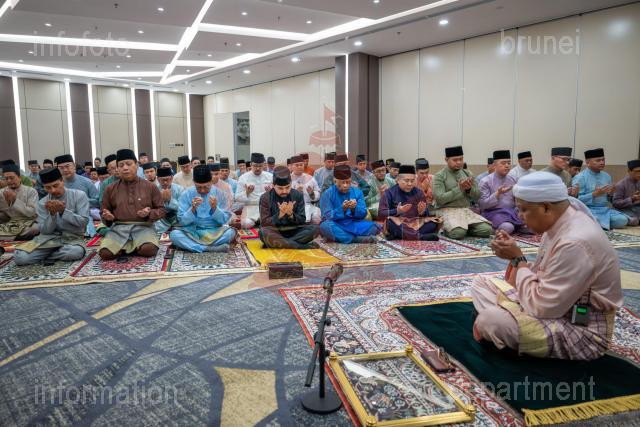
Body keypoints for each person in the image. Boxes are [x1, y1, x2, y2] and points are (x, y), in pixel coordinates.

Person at [472, 172, 623, 360]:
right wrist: (516, 259)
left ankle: (508, 327)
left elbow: (542, 307)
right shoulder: (559, 224)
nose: (519, 216)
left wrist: (518, 259)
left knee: (491, 321)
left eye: (523, 210)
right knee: (481, 283)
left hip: (581, 328)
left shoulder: (574, 242)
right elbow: (541, 276)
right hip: (553, 305)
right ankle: (511, 323)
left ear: (545, 207)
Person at [13, 168, 89, 265]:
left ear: (62, 181)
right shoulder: (42, 203)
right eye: (48, 188)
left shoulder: (79, 195)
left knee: (74, 252)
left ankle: (45, 256)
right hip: (47, 240)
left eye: (55, 186)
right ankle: (51, 254)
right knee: (20, 258)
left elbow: (83, 222)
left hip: (72, 239)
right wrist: (52, 215)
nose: (53, 190)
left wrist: (63, 211)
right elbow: (45, 231)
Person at [99, 149, 165, 260]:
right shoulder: (110, 189)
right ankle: (132, 248)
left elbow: (161, 210)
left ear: (137, 165)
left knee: (149, 249)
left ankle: (124, 249)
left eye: (129, 164)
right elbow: (104, 211)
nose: (125, 168)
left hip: (144, 227)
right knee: (105, 254)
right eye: (121, 165)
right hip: (119, 229)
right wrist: (108, 217)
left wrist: (149, 213)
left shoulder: (150, 186)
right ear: (118, 168)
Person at [169, 165, 236, 253]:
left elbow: (224, 220)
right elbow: (182, 222)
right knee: (174, 235)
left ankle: (194, 246)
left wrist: (215, 209)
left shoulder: (220, 194)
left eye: (206, 187)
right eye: (199, 187)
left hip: (214, 231)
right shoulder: (186, 194)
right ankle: (208, 248)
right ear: (194, 183)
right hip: (193, 231)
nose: (202, 190)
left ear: (211, 182)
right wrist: (192, 210)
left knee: (231, 233)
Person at [433, 146, 492, 240]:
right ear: (446, 160)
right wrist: (459, 189)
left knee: (487, 230)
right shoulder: (439, 176)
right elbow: (440, 199)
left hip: (464, 210)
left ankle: (464, 228)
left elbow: (477, 196)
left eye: (461, 159)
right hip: (446, 210)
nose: (459, 162)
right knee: (458, 234)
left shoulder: (468, 174)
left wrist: (469, 189)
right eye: (455, 160)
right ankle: (450, 228)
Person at [259, 166, 319, 249]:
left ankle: (279, 243)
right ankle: (300, 246)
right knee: (263, 232)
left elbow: (302, 220)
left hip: (294, 230)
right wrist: (279, 215)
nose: (284, 191)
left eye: (287, 187)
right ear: (273, 185)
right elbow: (264, 223)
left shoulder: (297, 195)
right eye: (280, 188)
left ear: (291, 184)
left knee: (315, 229)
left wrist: (291, 215)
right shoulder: (265, 198)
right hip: (276, 231)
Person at [319, 165, 381, 243]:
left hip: (353, 223)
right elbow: (325, 217)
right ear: (335, 181)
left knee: (374, 226)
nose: (345, 185)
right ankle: (356, 239)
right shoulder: (327, 194)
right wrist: (342, 209)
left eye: (348, 182)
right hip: (337, 224)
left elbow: (363, 214)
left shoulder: (357, 192)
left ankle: (343, 237)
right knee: (325, 226)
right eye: (342, 182)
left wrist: (354, 209)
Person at [378, 164, 442, 240]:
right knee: (390, 223)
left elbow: (425, 215)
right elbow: (381, 214)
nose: (409, 184)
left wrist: (422, 212)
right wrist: (397, 211)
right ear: (398, 180)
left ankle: (402, 235)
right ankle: (419, 237)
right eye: (406, 181)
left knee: (433, 223)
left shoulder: (419, 192)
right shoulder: (389, 193)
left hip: (415, 222)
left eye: (412, 181)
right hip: (399, 222)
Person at [572, 148, 628, 230]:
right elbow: (575, 200)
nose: (602, 163)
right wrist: (594, 194)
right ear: (588, 163)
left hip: (604, 209)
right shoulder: (580, 177)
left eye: (603, 160)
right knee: (593, 219)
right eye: (598, 160)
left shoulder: (606, 176)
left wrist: (611, 194)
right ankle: (596, 224)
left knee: (622, 220)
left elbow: (608, 200)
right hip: (587, 209)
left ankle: (596, 224)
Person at [478, 150, 526, 235]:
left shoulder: (512, 179)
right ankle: (496, 229)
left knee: (533, 223)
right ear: (495, 165)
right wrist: (497, 194)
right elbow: (482, 205)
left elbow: (517, 201)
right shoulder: (485, 181)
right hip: (493, 213)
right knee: (508, 227)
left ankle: (514, 226)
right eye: (503, 163)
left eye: (509, 163)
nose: (507, 166)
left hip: (511, 212)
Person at [55, 154, 100, 222]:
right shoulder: (56, 186)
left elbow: (97, 202)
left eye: (67, 166)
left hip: (84, 218)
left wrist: (80, 201)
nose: (65, 170)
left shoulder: (87, 182)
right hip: (62, 219)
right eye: (61, 168)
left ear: (74, 166)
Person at [0, 164, 39, 240]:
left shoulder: (31, 191)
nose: (9, 181)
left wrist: (15, 201)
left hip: (28, 221)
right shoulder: (1, 192)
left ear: (20, 177)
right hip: (10, 222)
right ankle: (15, 237)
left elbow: (31, 213)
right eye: (6, 179)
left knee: (35, 229)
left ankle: (10, 237)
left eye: (12, 178)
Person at [235, 153, 273, 228]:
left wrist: (270, 193)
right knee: (246, 223)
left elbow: (277, 195)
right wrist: (247, 192)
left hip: (266, 208)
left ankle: (262, 221)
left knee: (273, 222)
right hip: (251, 208)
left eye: (260, 166)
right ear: (251, 165)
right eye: (255, 166)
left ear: (264, 165)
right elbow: (237, 198)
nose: (258, 168)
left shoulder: (270, 177)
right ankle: (259, 222)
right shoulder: (243, 178)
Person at [290, 155, 321, 224]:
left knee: (317, 216)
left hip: (308, 205)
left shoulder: (310, 178)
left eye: (301, 165)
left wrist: (312, 194)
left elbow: (318, 193)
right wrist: (295, 193)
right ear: (292, 166)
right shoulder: (288, 179)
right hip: (293, 207)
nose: (299, 167)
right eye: (297, 165)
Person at [154, 167, 184, 234]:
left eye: (167, 179)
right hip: (161, 221)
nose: (165, 182)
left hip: (177, 220)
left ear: (172, 178)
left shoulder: (180, 189)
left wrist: (170, 200)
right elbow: (153, 209)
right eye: (163, 180)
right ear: (158, 179)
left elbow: (183, 208)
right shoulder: (154, 190)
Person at [613, 159, 640, 226]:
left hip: (637, 209)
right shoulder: (621, 184)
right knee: (634, 220)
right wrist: (632, 199)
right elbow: (616, 203)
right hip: (624, 209)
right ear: (629, 171)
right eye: (637, 171)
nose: (639, 174)